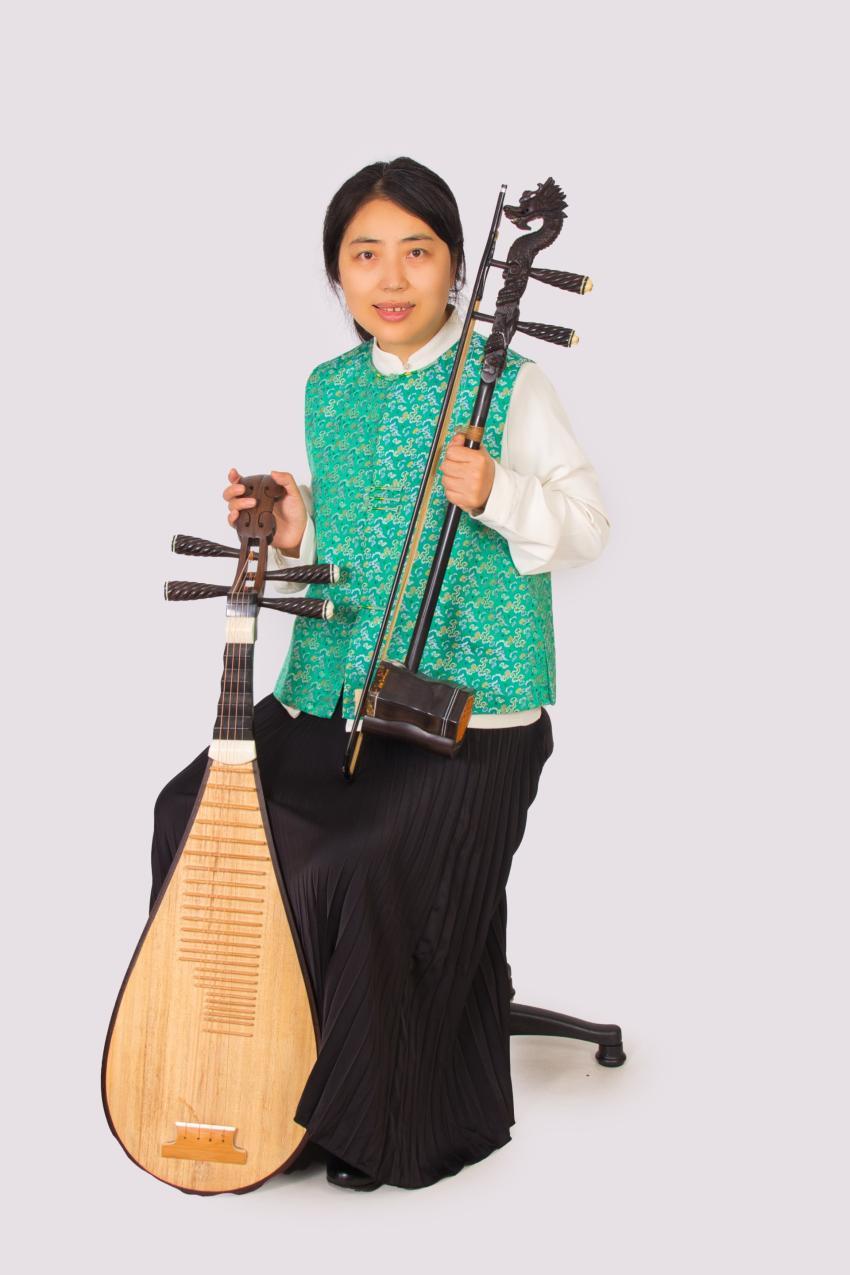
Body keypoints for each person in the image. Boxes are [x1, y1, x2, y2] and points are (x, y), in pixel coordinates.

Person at [150, 156, 611, 1192]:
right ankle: (238, 1072)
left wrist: (496, 491)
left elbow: (586, 526)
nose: (391, 278)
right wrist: (289, 521)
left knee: (360, 858)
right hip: (333, 689)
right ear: (337, 273)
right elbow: (352, 528)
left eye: (417, 251)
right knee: (189, 813)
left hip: (464, 712)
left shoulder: (507, 381)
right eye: (365, 255)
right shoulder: (329, 386)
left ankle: (370, 1115)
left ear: (456, 267)